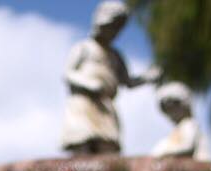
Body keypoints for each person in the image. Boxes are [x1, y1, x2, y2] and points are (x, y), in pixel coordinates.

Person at [61, 1, 159, 155]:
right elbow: (68, 74)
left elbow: (128, 82)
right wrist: (88, 84)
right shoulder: (84, 47)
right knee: (82, 143)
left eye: (113, 28)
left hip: (106, 106)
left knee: (108, 147)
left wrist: (147, 78)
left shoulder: (115, 56)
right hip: (83, 104)